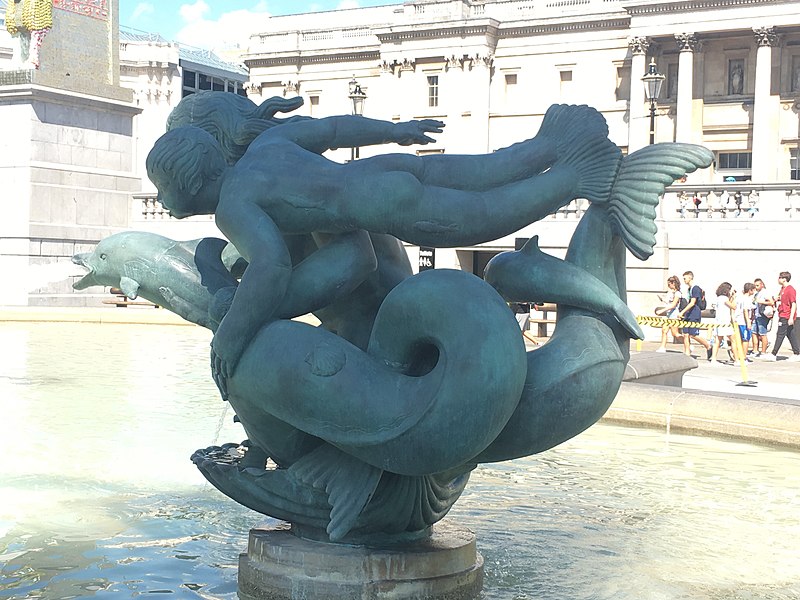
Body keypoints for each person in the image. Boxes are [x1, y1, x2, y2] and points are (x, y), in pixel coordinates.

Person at [147, 103, 624, 392]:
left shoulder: (234, 206)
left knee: (480, 218)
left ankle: (575, 177)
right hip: (382, 170)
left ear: (189, 182)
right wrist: (396, 130)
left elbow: (269, 266)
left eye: (163, 189)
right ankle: (553, 142)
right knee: (482, 172)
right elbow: (332, 130)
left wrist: (232, 335)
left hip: (379, 205)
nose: (163, 202)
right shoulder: (268, 146)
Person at [761, 271, 800, 361]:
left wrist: (791, 317)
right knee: (790, 334)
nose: (778, 279)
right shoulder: (783, 289)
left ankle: (773, 353)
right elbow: (781, 299)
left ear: (784, 279)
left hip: (786, 315)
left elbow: (793, 304)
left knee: (780, 334)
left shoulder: (790, 289)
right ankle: (797, 353)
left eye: (780, 278)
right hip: (782, 313)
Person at [676, 270, 712, 358]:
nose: (684, 280)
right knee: (686, 334)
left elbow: (692, 302)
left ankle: (708, 345)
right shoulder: (689, 289)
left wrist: (682, 312)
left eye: (685, 278)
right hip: (688, 313)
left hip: (694, 313)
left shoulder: (695, 288)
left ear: (690, 277)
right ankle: (687, 352)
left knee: (693, 334)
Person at [709, 282, 736, 363]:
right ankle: (737, 359)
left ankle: (713, 358)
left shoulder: (718, 298)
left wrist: (730, 297)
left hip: (718, 321)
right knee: (733, 340)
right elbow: (733, 306)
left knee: (717, 340)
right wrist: (733, 298)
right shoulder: (724, 299)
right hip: (725, 322)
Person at [656, 275, 683, 352]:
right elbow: (669, 302)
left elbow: (673, 305)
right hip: (668, 314)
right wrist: (663, 300)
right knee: (664, 330)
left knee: (675, 334)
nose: (668, 286)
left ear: (673, 283)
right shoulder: (670, 293)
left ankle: (687, 343)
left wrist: (662, 311)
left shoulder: (678, 293)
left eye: (669, 284)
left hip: (674, 315)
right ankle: (662, 347)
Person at [751, 277, 773, 357]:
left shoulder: (765, 292)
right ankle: (755, 350)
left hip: (762, 315)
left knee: (762, 333)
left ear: (762, 285)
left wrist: (762, 302)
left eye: (757, 285)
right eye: (755, 286)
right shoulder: (757, 294)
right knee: (754, 333)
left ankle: (763, 352)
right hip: (756, 315)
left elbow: (771, 302)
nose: (756, 287)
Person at [734, 282, 755, 360]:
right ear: (750, 290)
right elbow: (745, 310)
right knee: (745, 339)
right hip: (743, 321)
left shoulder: (739, 298)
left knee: (738, 339)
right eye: (753, 290)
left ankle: (736, 355)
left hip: (737, 321)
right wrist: (748, 321)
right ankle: (743, 357)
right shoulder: (746, 299)